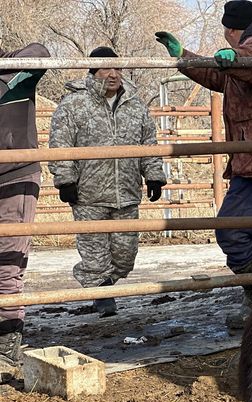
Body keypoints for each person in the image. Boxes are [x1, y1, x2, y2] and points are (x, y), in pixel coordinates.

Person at [155, 0, 252, 329]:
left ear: (233, 31)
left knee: (230, 228)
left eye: (227, 34)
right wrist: (184, 56)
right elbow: (217, 75)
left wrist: (237, 56)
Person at [48, 46, 166, 318]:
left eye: (117, 68)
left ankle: (106, 284)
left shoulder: (135, 105)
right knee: (95, 254)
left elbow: (148, 143)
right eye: (105, 68)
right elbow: (60, 143)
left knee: (125, 255)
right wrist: (65, 180)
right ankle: (102, 294)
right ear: (93, 71)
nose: (113, 74)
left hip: (126, 192)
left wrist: (153, 175)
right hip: (88, 194)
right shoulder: (74, 104)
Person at [0, 42, 50, 381]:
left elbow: (41, 53)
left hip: (15, 176)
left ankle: (6, 347)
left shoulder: (18, 71)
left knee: (7, 262)